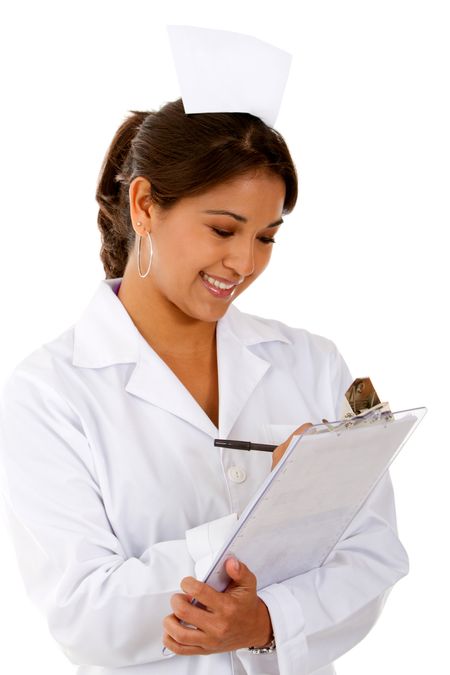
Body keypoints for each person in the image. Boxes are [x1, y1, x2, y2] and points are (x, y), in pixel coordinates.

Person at [0, 97, 408, 675]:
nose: (243, 263)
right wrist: (276, 513)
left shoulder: (311, 363)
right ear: (144, 206)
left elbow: (374, 555)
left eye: (267, 237)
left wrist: (268, 623)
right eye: (223, 229)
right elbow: (84, 614)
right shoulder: (50, 392)